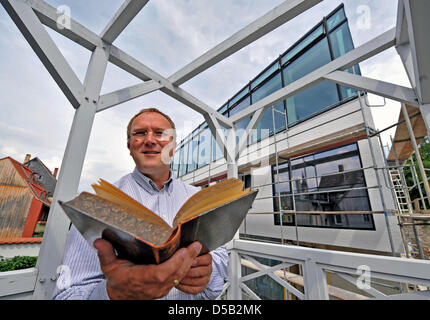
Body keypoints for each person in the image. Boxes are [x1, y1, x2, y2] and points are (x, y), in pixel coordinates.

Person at [53, 108, 229, 300]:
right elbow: (66, 295)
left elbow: (221, 260)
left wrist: (207, 272)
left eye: (160, 133)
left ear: (173, 146)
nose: (150, 140)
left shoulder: (199, 198)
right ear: (129, 146)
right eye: (140, 133)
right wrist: (112, 293)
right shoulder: (97, 207)